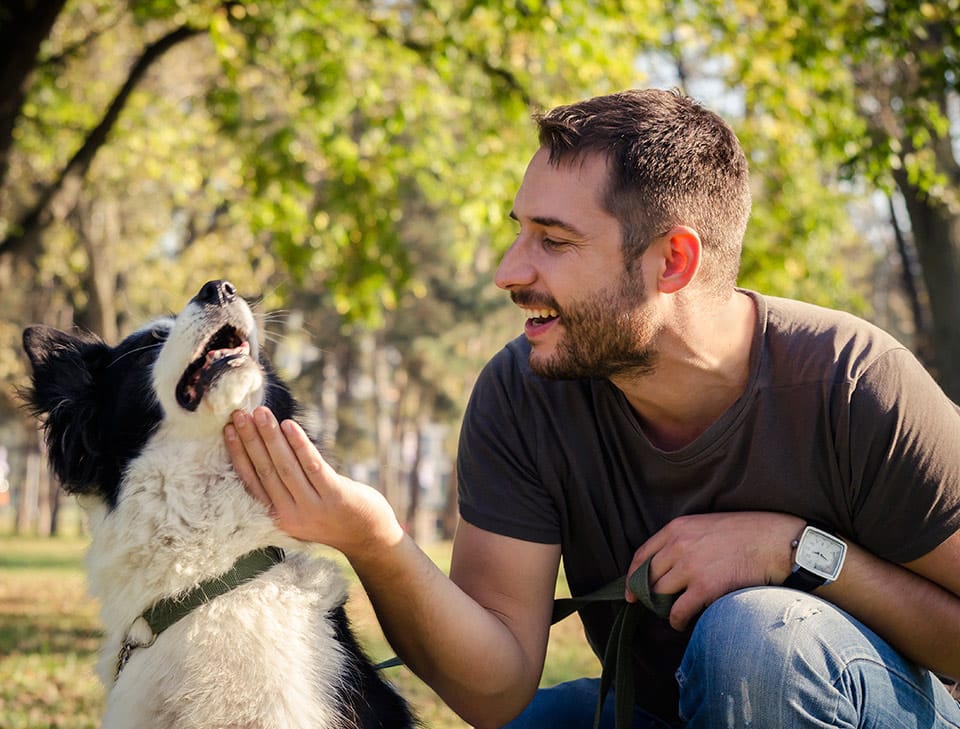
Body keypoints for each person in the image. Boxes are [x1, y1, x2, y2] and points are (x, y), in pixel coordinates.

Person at [223, 88, 960, 728]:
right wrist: (376, 539)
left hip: (866, 702)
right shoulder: (523, 391)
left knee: (756, 638)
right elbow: (498, 686)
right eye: (519, 229)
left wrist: (797, 551)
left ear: (672, 261)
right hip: (659, 709)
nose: (511, 271)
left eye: (553, 240)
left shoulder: (855, 384)